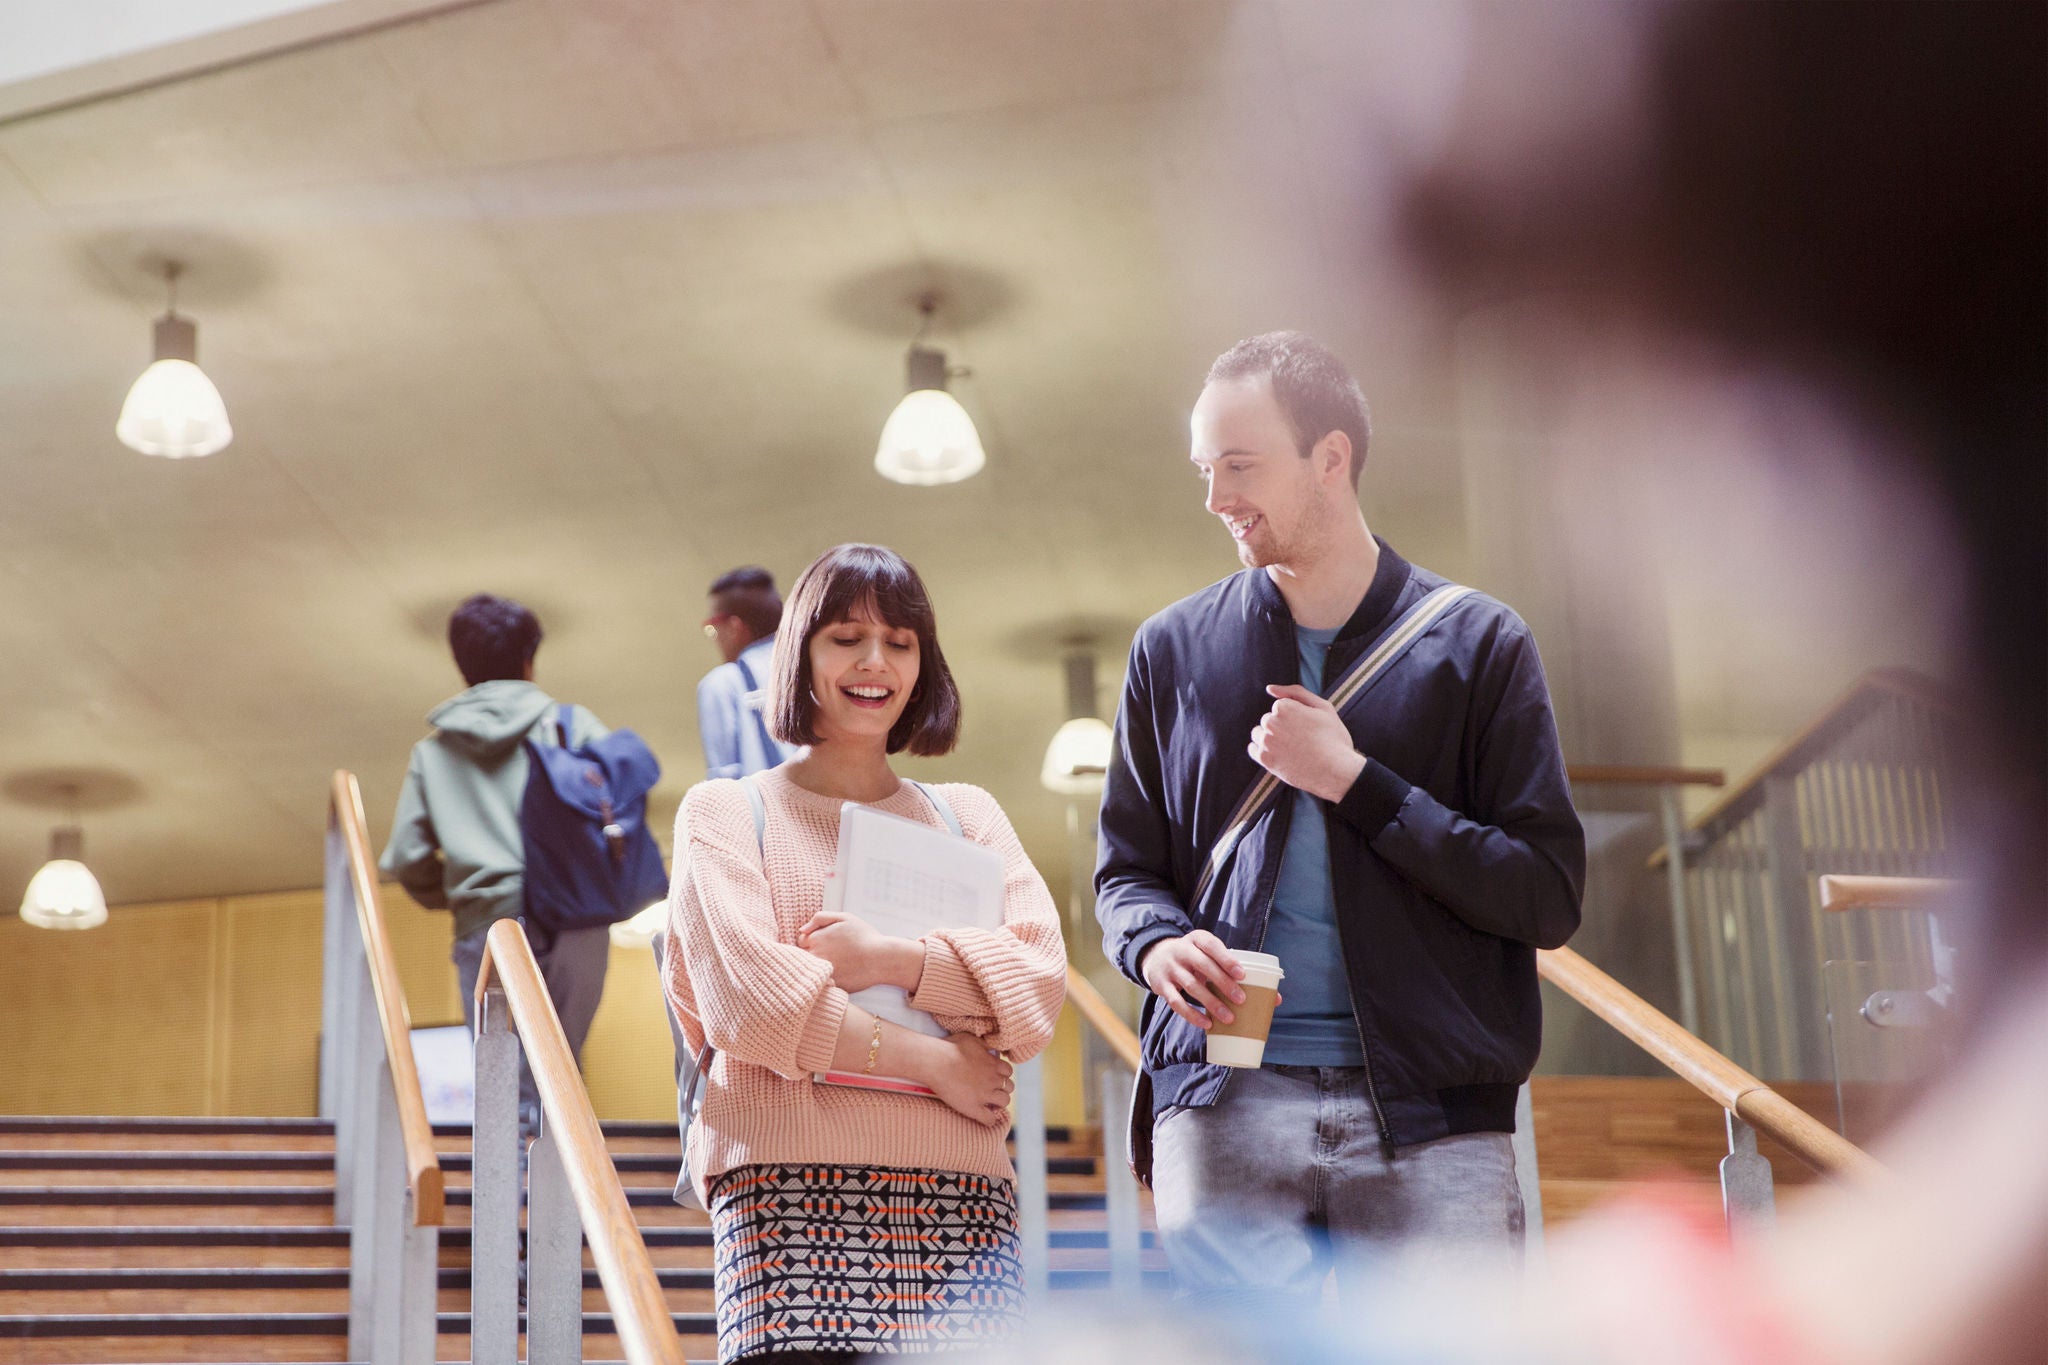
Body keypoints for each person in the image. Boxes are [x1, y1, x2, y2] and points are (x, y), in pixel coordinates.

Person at [1094, 332, 1586, 1305]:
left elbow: (1545, 895)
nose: (1214, 497)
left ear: (1330, 456)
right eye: (1204, 468)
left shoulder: (1478, 644)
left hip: (1434, 1117)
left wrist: (1355, 781)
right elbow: (1123, 872)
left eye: (1239, 465)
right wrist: (1152, 947)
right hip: (1223, 1098)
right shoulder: (1170, 651)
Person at [664, 543, 1067, 1363]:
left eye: (901, 641)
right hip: (784, 1190)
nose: (875, 662)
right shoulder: (726, 813)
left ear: (924, 664)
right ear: (801, 652)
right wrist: (938, 1061)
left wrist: (892, 959)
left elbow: (1035, 988)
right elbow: (754, 1004)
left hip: (965, 1196)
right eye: (846, 636)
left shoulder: (968, 815)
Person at [380, 593, 612, 1129]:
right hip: (576, 919)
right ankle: (571, 1204)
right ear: (530, 659)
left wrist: (463, 893)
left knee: (503, 1081)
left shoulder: (433, 753)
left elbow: (409, 856)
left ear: (462, 665)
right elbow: (615, 811)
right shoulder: (572, 727)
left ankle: (511, 1206)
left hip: (487, 923)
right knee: (561, 1069)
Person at [698, 566, 793, 779]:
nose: (715, 639)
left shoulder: (723, 682)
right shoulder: (814, 670)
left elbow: (723, 778)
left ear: (734, 627)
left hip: (756, 810)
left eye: (712, 629)